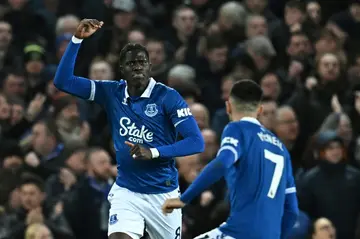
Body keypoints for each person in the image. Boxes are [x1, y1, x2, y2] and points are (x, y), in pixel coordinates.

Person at [54, 19, 205, 239]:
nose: (137, 67)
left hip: (163, 194)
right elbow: (63, 81)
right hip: (127, 192)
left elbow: (196, 142)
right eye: (131, 63)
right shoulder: (112, 92)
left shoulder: (168, 97)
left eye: (141, 62)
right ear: (122, 69)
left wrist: (152, 152)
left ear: (149, 67)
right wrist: (77, 40)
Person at [162, 80, 299, 239]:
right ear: (260, 110)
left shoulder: (237, 129)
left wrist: (183, 199)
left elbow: (222, 162)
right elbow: (292, 211)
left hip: (239, 232)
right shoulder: (281, 149)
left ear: (228, 107)